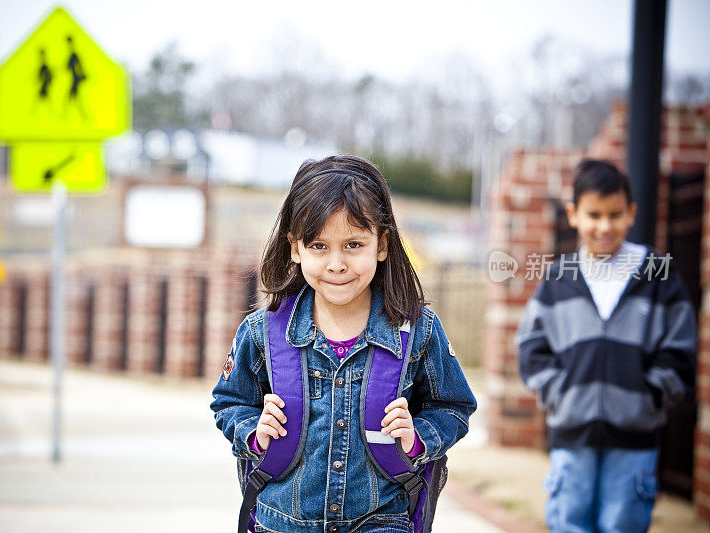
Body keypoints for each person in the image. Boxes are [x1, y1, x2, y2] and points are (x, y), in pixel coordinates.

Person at [211, 155, 477, 532]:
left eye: (353, 244)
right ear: (295, 248)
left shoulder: (418, 331)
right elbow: (228, 402)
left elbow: (453, 406)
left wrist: (417, 438)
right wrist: (254, 429)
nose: (336, 264)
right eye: (319, 246)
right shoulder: (261, 332)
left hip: (382, 521)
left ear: (381, 245)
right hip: (282, 522)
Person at [517, 159, 696, 533]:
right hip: (572, 433)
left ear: (631, 213)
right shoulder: (558, 279)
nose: (604, 226)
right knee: (569, 524)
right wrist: (559, 394)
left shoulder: (657, 273)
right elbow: (532, 347)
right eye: (593, 214)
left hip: (635, 439)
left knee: (623, 525)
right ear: (574, 215)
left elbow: (680, 349)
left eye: (614, 215)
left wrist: (647, 396)